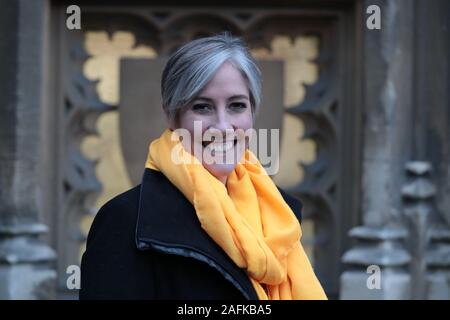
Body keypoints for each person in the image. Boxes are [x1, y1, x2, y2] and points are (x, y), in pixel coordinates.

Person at [79, 32, 326, 300]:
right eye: (202, 107)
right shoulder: (126, 222)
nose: (222, 126)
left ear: (251, 113)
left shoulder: (279, 216)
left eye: (236, 105)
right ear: (172, 116)